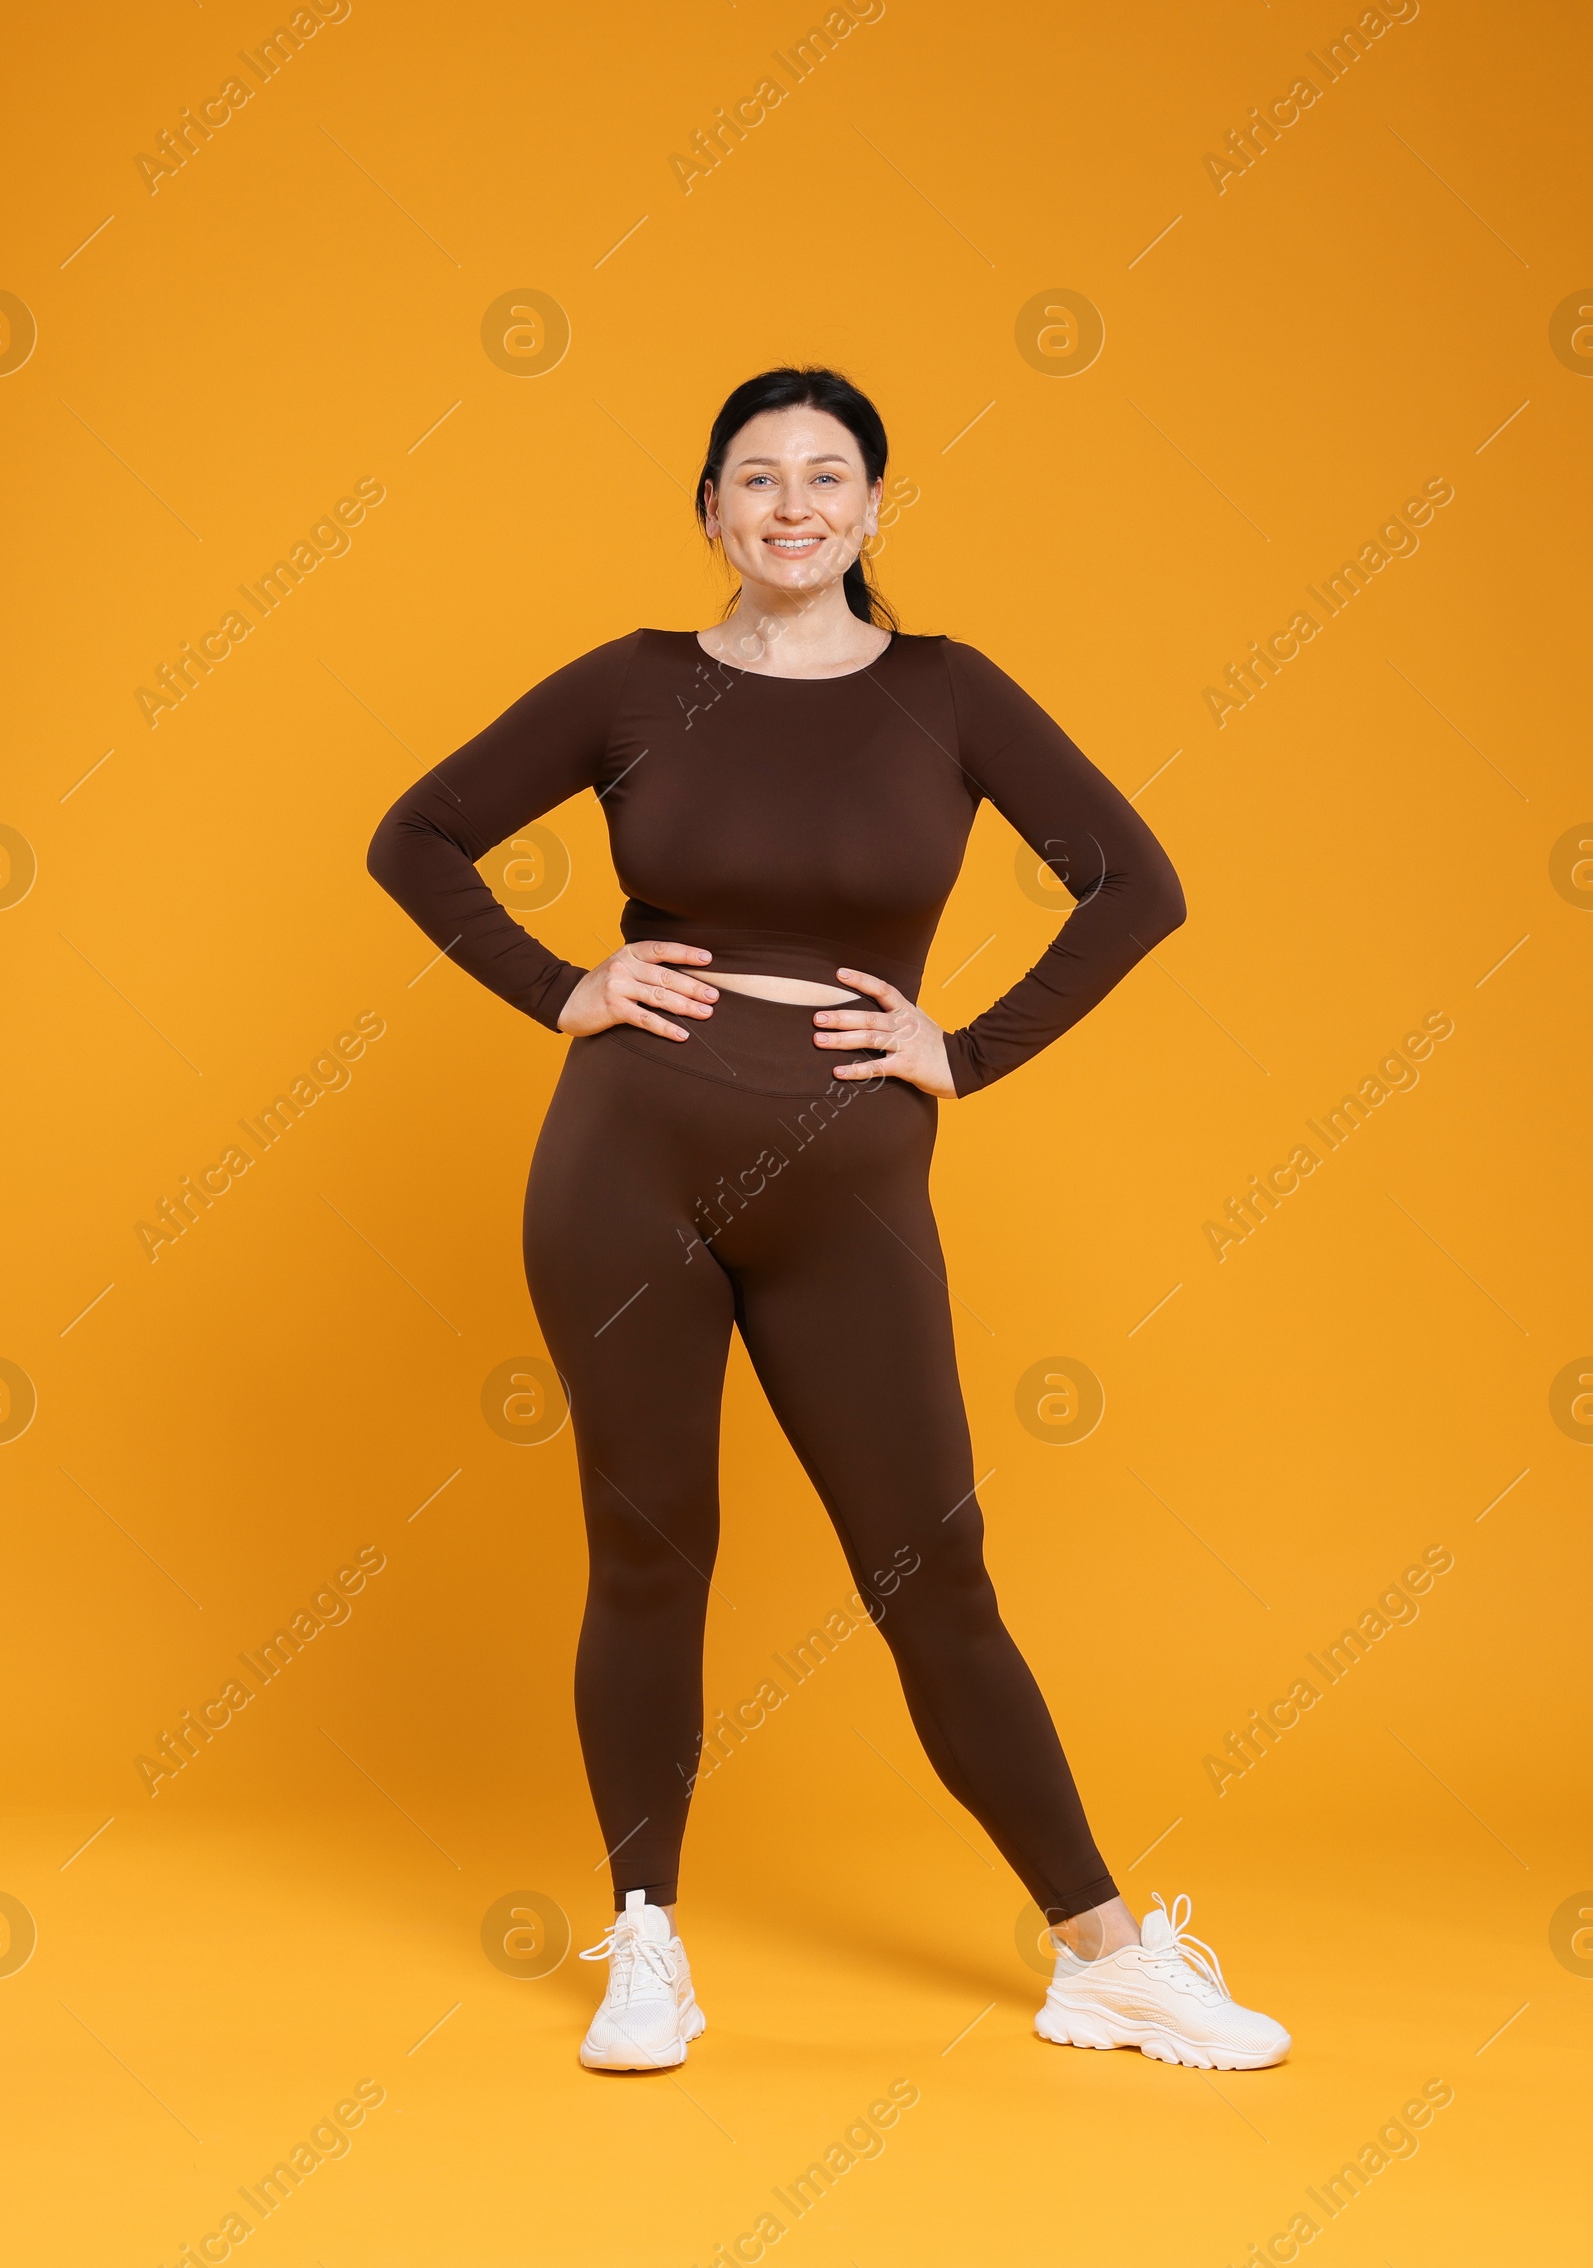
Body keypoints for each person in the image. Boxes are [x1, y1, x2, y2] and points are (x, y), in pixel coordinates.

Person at [367, 365, 1290, 2077]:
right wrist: (563, 983)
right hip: (621, 1168)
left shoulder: (949, 695)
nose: (792, 504)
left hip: (848, 1185)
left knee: (931, 1571)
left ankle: (1103, 1959)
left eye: (827, 477)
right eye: (756, 478)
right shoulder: (634, 686)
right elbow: (415, 836)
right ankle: (645, 1942)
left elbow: (1135, 884)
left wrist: (970, 1049)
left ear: (875, 510)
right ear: (709, 511)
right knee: (653, 1552)